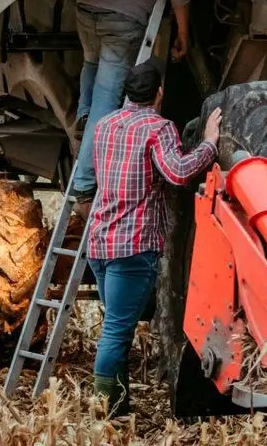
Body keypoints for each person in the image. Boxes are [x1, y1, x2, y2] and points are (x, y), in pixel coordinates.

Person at [86, 60, 223, 417]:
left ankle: (119, 407)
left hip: (100, 243)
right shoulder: (157, 128)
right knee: (116, 332)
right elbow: (178, 173)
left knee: (117, 326)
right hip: (133, 247)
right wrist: (209, 143)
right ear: (159, 92)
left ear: (128, 91)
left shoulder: (104, 125)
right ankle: (106, 415)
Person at [70, 0, 194, 205]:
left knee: (91, 66)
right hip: (124, 16)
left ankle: (84, 121)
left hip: (87, 5)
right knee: (107, 98)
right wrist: (184, 33)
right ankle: (85, 182)